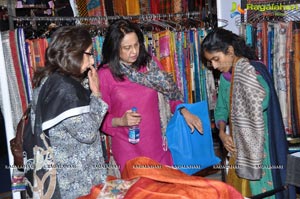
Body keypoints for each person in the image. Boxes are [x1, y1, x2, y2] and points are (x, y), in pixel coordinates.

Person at [201, 28, 295, 199]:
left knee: (265, 190)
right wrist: (222, 132)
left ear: (230, 51)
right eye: (211, 62)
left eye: (216, 59)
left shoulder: (253, 72)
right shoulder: (225, 78)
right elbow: (222, 108)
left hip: (262, 147)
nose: (214, 66)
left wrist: (245, 78)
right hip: (238, 147)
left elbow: (263, 100)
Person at [97, 19, 203, 172]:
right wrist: (120, 121)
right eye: (127, 48)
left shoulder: (150, 64)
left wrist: (184, 110)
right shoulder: (105, 75)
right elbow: (98, 117)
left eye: (136, 45)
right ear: (114, 48)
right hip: (128, 150)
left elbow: (170, 94)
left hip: (159, 145)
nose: (133, 51)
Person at [23, 26, 108, 198]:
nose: (92, 61)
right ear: (73, 53)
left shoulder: (49, 80)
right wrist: (97, 93)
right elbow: (87, 132)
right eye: (89, 53)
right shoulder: (64, 88)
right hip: (74, 183)